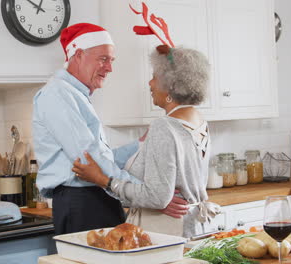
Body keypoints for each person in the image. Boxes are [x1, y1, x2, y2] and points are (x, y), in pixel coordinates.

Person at [32, 23, 187, 235]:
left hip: (101, 196)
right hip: (82, 204)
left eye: (111, 60)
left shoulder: (75, 95)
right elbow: (88, 160)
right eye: (103, 59)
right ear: (78, 55)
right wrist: (149, 196)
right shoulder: (58, 95)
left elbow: (102, 158)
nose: (109, 68)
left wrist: (141, 144)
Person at [73, 44, 216, 238]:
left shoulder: (164, 126)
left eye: (155, 77)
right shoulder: (198, 120)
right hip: (195, 228)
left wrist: (102, 179)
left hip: (167, 233)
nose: (150, 83)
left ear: (171, 85)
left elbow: (156, 197)